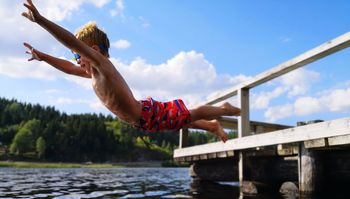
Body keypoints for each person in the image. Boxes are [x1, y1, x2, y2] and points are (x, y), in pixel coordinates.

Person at [22, 0, 241, 142]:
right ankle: (212, 126)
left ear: (94, 50)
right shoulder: (94, 73)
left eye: (78, 55)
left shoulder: (103, 66)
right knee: (180, 120)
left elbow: (70, 41)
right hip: (142, 120)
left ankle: (223, 109)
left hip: (145, 114)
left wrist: (41, 21)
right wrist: (44, 58)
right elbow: (69, 69)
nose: (76, 60)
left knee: (190, 113)